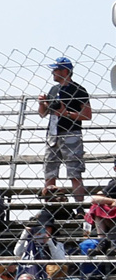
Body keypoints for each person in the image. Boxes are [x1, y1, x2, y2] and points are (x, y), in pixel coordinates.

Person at [39, 57, 93, 203]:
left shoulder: (78, 90)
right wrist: (42, 104)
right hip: (53, 134)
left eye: (56, 69)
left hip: (71, 133)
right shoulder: (53, 89)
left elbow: (87, 115)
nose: (53, 72)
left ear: (65, 71)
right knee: (49, 173)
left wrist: (66, 113)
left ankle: (79, 208)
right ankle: (50, 207)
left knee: (74, 173)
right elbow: (43, 114)